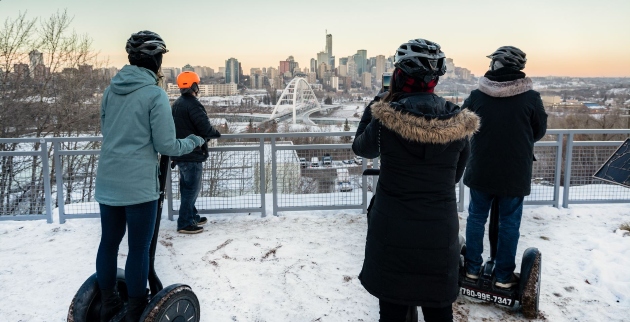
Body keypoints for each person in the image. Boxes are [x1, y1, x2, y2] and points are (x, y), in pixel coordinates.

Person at [352, 39, 480, 322]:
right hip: (439, 230)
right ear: (434, 80)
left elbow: (362, 148)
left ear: (399, 76)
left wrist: (376, 107)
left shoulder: (385, 118)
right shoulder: (458, 122)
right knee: (438, 309)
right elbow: (455, 176)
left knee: (393, 309)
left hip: (392, 229)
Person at [94, 31, 205, 322]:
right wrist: (193, 140)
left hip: (108, 179)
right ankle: (133, 310)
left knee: (108, 243)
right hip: (139, 186)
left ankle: (107, 303)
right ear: (155, 60)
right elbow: (167, 145)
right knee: (139, 248)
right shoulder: (154, 93)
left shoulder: (110, 90)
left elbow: (109, 132)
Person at [462, 46, 548, 289]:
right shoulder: (531, 98)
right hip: (514, 171)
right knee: (510, 222)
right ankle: (503, 277)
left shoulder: (477, 96)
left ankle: (471, 270)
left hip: (481, 167)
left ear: (496, 65)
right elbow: (538, 131)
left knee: (476, 218)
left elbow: (462, 123)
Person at [171, 71, 221, 234]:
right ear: (194, 86)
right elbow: (204, 127)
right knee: (191, 189)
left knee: (187, 188)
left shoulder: (177, 103)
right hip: (192, 153)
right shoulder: (193, 104)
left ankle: (191, 215)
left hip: (180, 152)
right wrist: (215, 133)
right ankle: (185, 222)